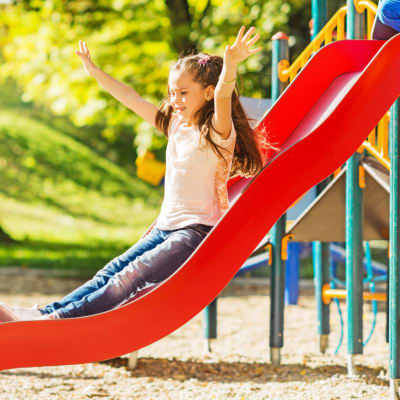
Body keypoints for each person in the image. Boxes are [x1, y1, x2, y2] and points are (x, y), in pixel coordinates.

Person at [0, 26, 277, 322]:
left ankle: (56, 320)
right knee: (111, 269)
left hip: (194, 232)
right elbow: (132, 99)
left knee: (130, 276)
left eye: (184, 93)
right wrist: (95, 72)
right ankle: (43, 313)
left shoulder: (218, 132)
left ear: (207, 93)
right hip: (164, 227)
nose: (175, 100)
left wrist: (230, 66)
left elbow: (224, 95)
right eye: (172, 93)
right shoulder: (175, 126)